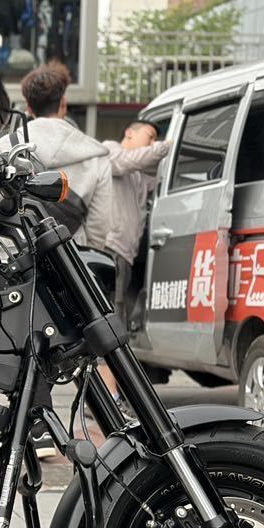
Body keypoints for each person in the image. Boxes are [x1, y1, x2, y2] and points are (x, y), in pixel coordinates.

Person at [0, 61, 113, 251]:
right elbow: (99, 226)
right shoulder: (96, 156)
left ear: (29, 108)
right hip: (71, 258)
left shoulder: (5, 146)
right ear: (63, 103)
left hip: (14, 258)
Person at [97, 121, 172, 405]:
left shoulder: (139, 173)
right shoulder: (110, 151)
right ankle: (109, 398)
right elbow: (129, 161)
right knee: (111, 322)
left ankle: (111, 394)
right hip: (111, 251)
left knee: (118, 321)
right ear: (129, 132)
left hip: (125, 255)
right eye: (149, 136)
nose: (153, 143)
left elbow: (157, 179)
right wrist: (168, 145)